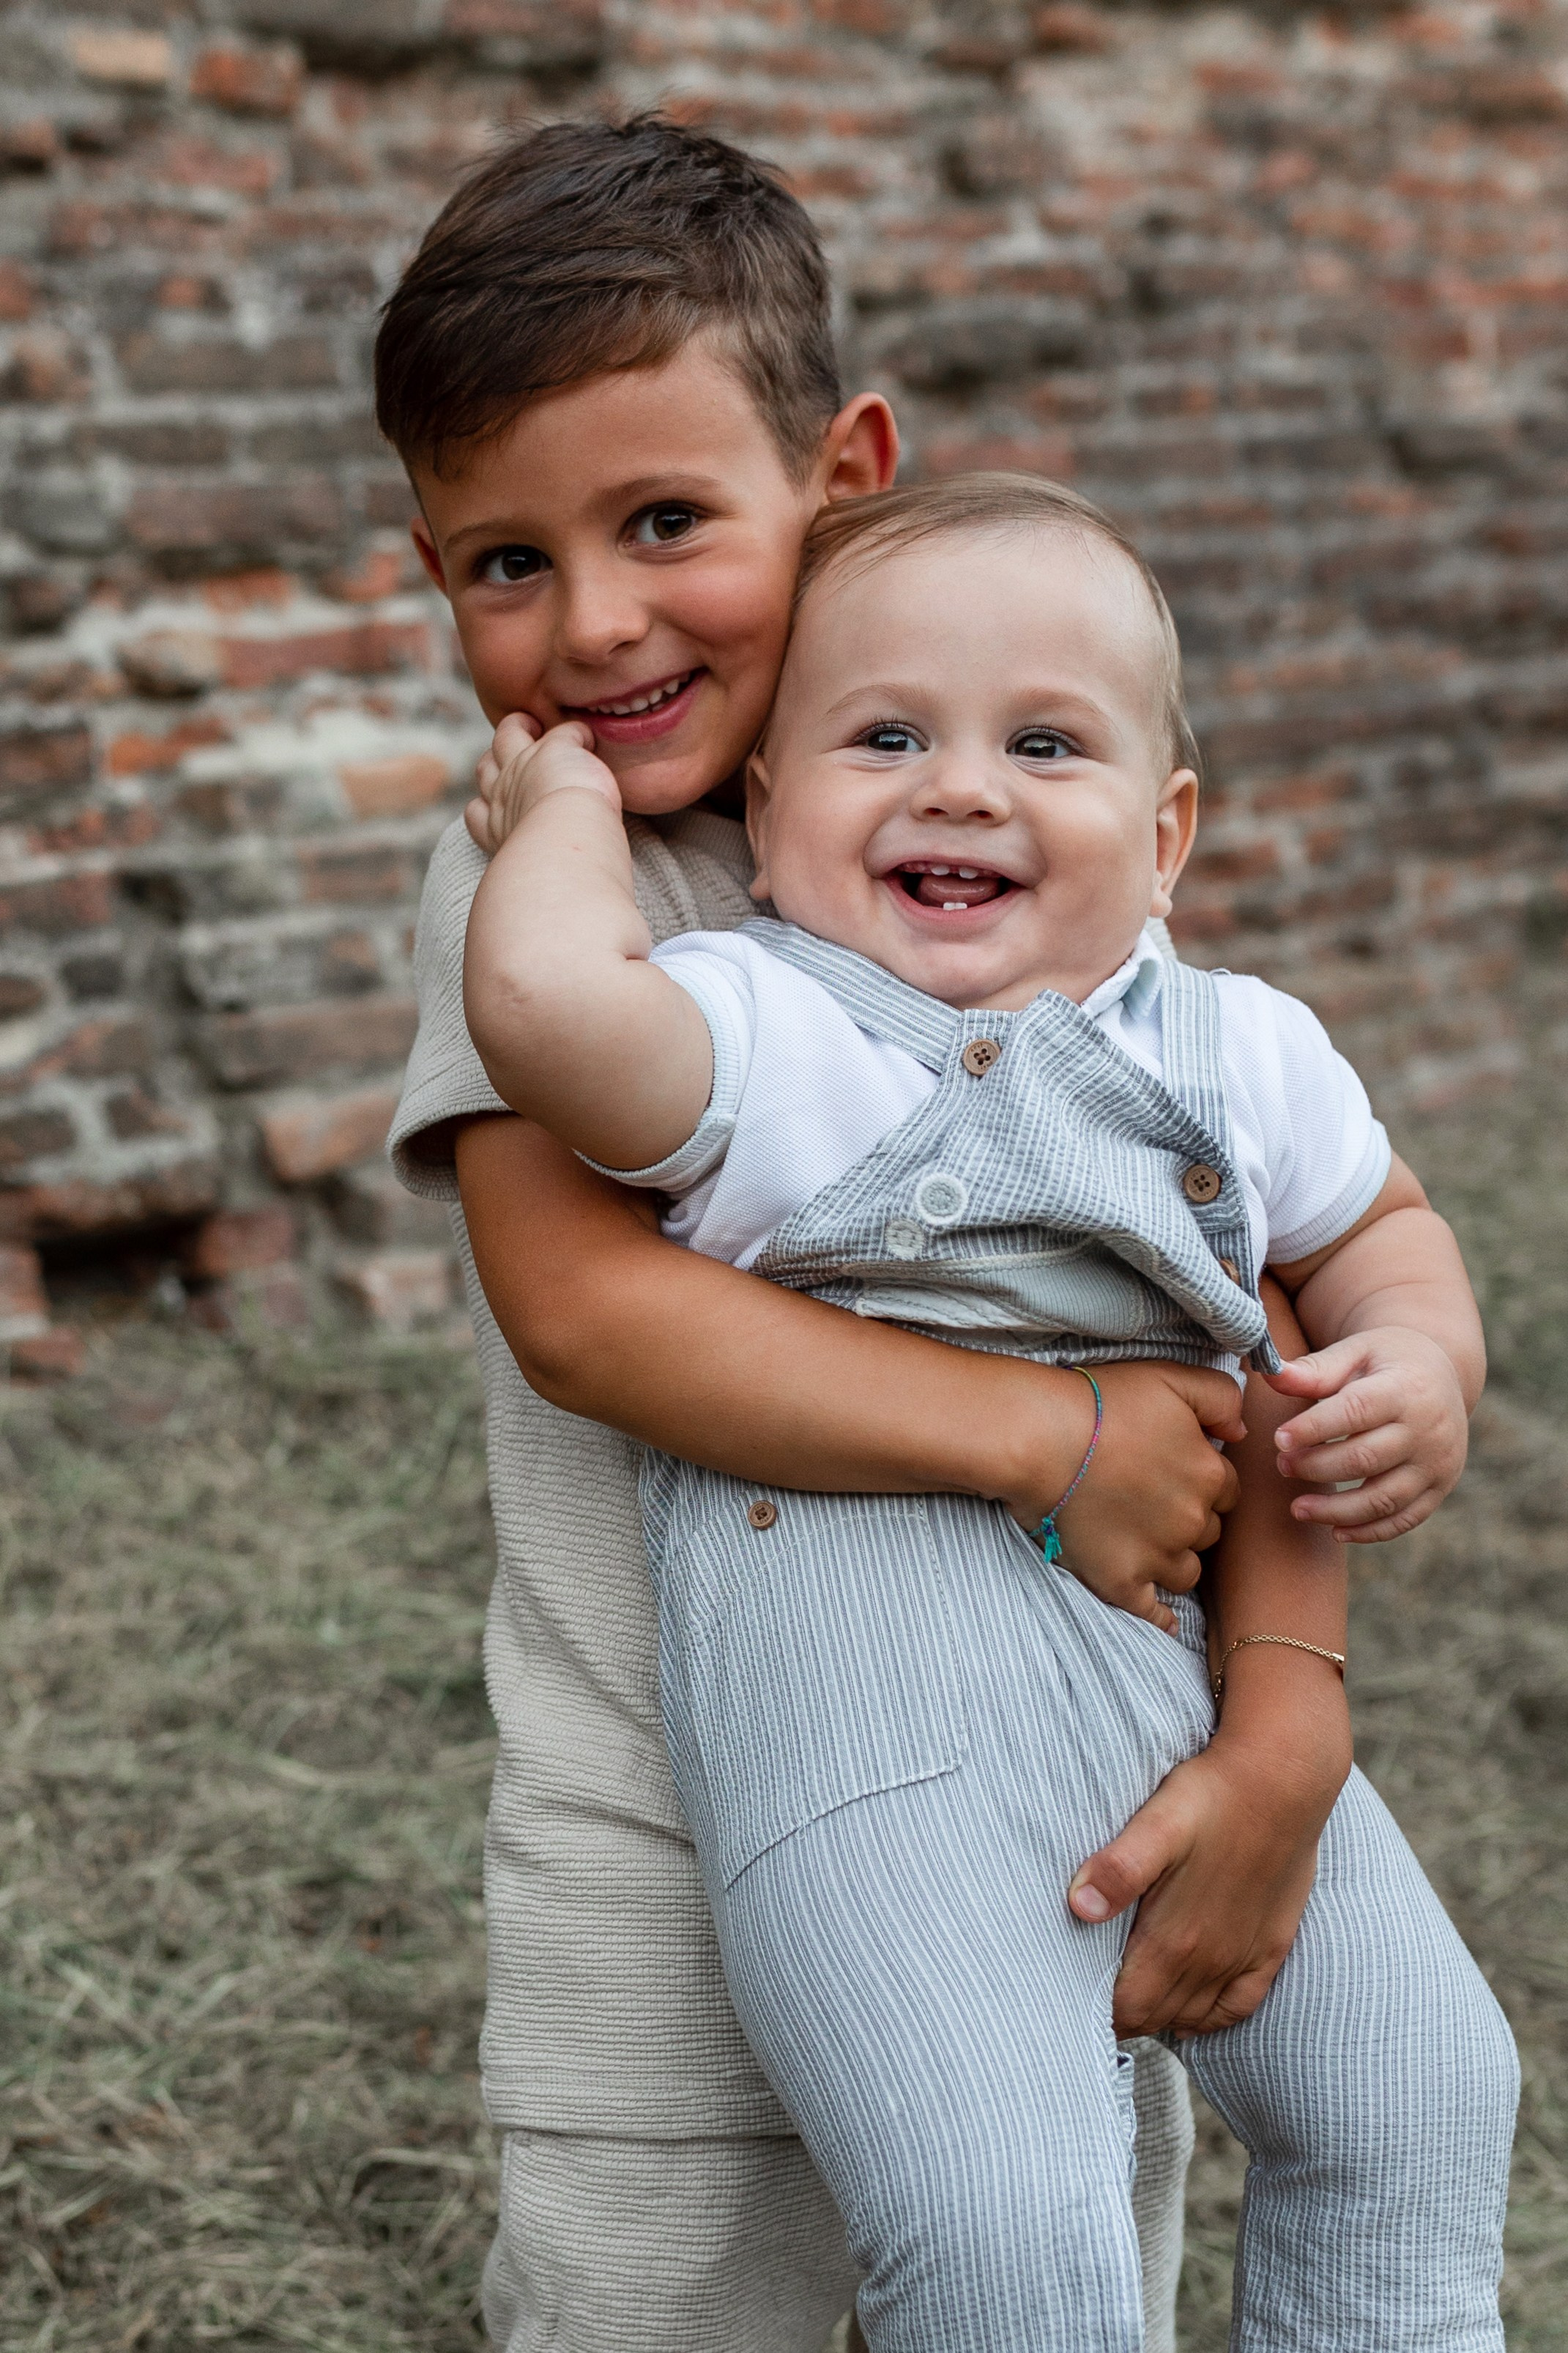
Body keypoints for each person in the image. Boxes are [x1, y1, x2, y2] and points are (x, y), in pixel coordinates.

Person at [379, 121, 1478, 2352]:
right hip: (665, 1856)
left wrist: (1284, 1715)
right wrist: (1050, 1437)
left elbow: (1246, 1291)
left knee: (1095, 2241)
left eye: (665, 521)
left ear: (843, 474)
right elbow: (589, 1312)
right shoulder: (550, 887)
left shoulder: (1005, 875)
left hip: (1108, 1788)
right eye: (503, 563)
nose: (591, 624)